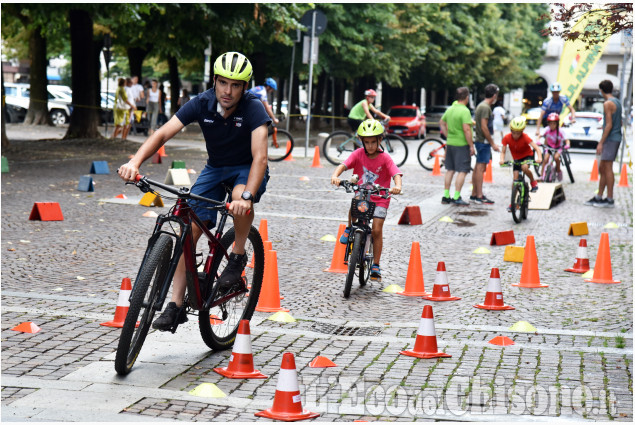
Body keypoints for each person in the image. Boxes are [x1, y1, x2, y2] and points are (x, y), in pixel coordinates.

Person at [118, 51, 271, 330]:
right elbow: (164, 132)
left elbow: (260, 157)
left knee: (239, 199)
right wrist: (135, 161)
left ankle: (237, 255)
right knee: (188, 228)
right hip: (215, 168)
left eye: (236, 85)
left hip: (246, 167)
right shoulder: (202, 102)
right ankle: (175, 305)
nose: (228, 91)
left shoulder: (253, 107)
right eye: (223, 83)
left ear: (245, 87)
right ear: (214, 80)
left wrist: (247, 196)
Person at [331, 119, 402, 282]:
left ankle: (376, 264)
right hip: (363, 194)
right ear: (362, 141)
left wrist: (397, 186)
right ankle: (349, 228)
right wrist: (335, 176)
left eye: (373, 142)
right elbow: (343, 165)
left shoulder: (385, 159)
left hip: (380, 198)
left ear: (380, 140)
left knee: (376, 229)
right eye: (366, 142)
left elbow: (396, 174)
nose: (370, 146)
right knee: (355, 201)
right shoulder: (358, 154)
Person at [584, 79, 623, 208]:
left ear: (601, 90)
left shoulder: (608, 103)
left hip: (611, 139)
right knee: (603, 168)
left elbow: (609, 125)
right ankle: (599, 196)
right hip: (614, 138)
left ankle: (610, 199)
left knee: (607, 168)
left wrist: (601, 142)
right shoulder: (617, 102)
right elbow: (619, 122)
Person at [439, 87, 475, 205]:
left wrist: (447, 134)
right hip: (462, 144)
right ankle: (456, 196)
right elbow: (466, 129)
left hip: (450, 143)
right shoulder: (465, 111)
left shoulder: (450, 109)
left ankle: (446, 196)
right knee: (462, 171)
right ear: (466, 97)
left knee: (450, 170)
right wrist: (471, 145)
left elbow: (442, 122)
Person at [499, 117, 542, 205]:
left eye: (518, 133)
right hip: (516, 158)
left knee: (524, 167)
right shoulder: (506, 138)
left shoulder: (525, 137)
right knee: (515, 180)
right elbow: (503, 151)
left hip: (527, 156)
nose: (515, 135)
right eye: (513, 133)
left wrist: (539, 158)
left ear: (522, 132)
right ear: (511, 130)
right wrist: (502, 160)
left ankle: (533, 181)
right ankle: (513, 202)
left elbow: (536, 148)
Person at [471, 84, 501, 204]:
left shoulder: (482, 106)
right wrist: (492, 143)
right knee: (480, 168)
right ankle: (479, 195)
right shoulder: (485, 107)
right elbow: (484, 126)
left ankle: (474, 194)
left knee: (478, 167)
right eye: (497, 95)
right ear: (494, 95)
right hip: (483, 142)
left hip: (481, 141)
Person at [538, 112, 570, 181]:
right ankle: (541, 175)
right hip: (549, 147)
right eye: (550, 123)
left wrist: (567, 145)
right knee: (545, 159)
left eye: (554, 123)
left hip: (558, 148)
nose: (552, 125)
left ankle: (558, 170)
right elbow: (539, 136)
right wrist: (538, 141)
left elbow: (567, 140)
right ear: (548, 123)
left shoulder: (561, 131)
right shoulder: (547, 129)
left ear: (557, 124)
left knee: (556, 158)